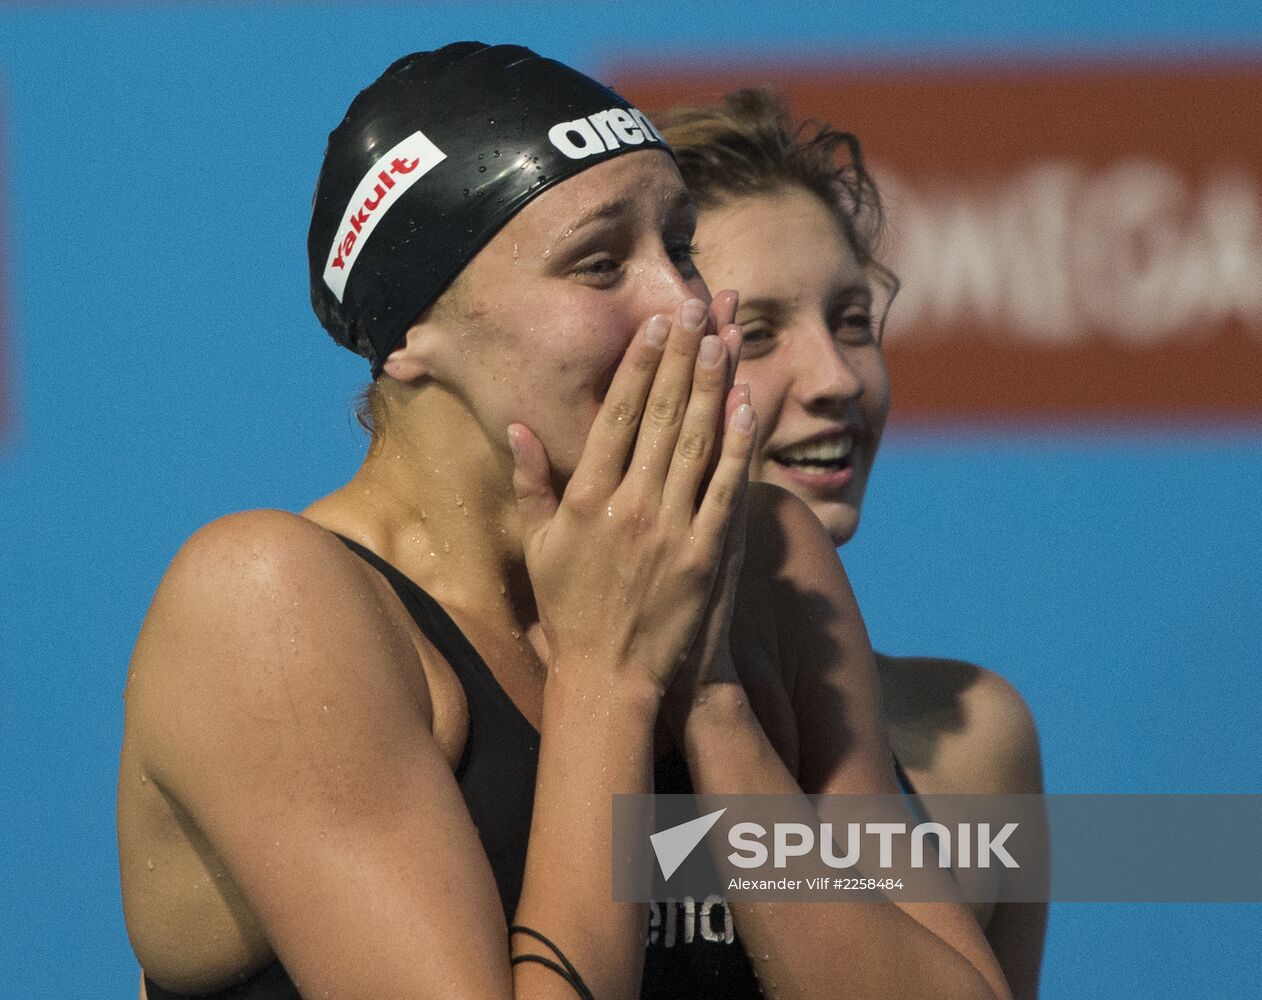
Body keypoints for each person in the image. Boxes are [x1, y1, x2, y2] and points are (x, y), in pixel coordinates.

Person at [118, 44, 1014, 1000]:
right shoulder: (271, 608)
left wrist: (715, 704)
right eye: (599, 264)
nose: (686, 306)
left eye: (680, 249)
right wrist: (608, 681)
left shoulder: (763, 563)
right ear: (413, 331)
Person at [656, 89, 1048, 997]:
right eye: (755, 334)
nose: (836, 378)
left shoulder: (975, 743)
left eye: (853, 322)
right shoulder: (515, 723)